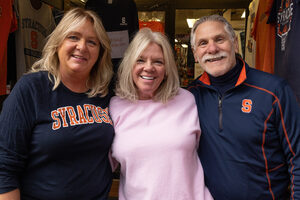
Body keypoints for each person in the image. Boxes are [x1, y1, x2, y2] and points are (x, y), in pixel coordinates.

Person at [0, 7, 115, 199]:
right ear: (58, 43)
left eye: (92, 42)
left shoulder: (105, 94)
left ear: (100, 53)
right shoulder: (31, 89)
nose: (82, 47)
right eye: (73, 37)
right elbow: (4, 167)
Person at [188, 14, 300, 199]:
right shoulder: (191, 96)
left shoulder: (273, 91)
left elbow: (297, 155)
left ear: (235, 43)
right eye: (203, 43)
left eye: (219, 39)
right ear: (195, 53)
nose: (212, 48)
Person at [109, 28, 213, 200]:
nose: (148, 68)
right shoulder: (115, 107)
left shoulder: (188, 100)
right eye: (140, 60)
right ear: (130, 65)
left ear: (166, 70)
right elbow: (98, 165)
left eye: (158, 62)